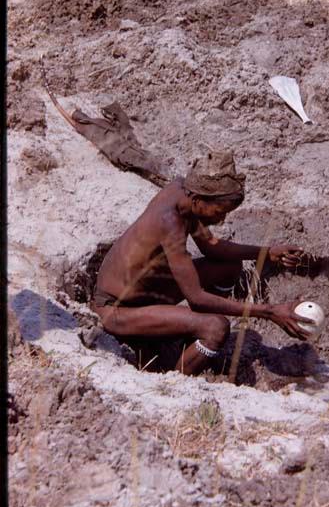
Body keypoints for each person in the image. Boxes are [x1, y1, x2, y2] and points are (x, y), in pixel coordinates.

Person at [91, 149, 314, 375]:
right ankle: (176, 381)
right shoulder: (170, 223)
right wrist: (269, 311)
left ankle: (183, 335)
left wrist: (267, 253)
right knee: (216, 328)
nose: (222, 219)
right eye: (220, 211)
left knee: (229, 267)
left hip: (146, 292)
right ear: (198, 200)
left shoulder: (182, 191)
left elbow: (212, 247)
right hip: (116, 311)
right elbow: (197, 299)